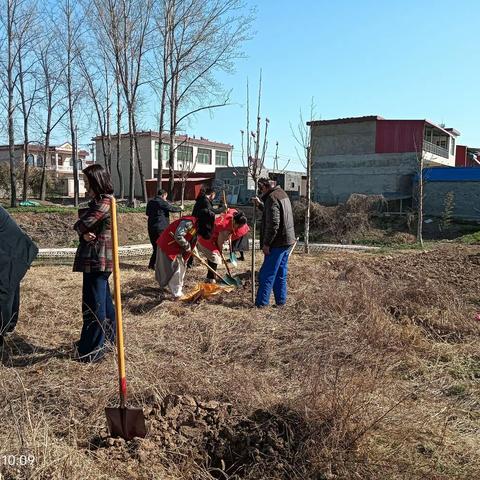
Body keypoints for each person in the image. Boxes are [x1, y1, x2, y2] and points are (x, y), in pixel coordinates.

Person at [73, 164, 116, 362]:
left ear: (96, 181)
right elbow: (87, 230)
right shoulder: (99, 201)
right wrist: (85, 234)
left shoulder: (105, 202)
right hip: (98, 259)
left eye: (87, 180)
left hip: (98, 260)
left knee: (94, 305)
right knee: (104, 303)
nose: (84, 184)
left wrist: (82, 229)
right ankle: (107, 341)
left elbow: (81, 224)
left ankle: (92, 350)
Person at [253, 178, 296, 307]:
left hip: (277, 242)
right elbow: (275, 214)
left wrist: (267, 244)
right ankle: (280, 302)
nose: (260, 191)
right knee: (280, 273)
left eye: (261, 188)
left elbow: (274, 224)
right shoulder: (282, 193)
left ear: (265, 187)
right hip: (287, 240)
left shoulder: (271, 198)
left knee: (267, 273)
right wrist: (260, 205)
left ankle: (261, 304)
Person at [0, 206, 38, 351]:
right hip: (11, 250)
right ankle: (9, 325)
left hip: (14, 252)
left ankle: (2, 332)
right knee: (9, 288)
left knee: (4, 291)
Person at [155, 209, 214, 299]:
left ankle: (178, 289)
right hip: (168, 245)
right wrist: (187, 246)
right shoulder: (189, 222)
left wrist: (196, 254)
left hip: (177, 247)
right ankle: (176, 294)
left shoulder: (196, 226)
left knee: (182, 267)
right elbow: (178, 235)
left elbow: (192, 241)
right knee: (176, 270)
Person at [197, 209, 249, 282]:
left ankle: (210, 277)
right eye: (239, 226)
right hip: (206, 238)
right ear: (235, 222)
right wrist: (220, 251)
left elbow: (230, 210)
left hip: (211, 236)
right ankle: (211, 279)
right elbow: (220, 242)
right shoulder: (225, 228)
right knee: (215, 258)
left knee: (213, 258)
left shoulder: (232, 216)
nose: (240, 227)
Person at [146, 189, 183, 270]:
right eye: (166, 197)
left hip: (151, 227)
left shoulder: (150, 202)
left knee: (156, 247)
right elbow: (171, 208)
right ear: (163, 195)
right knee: (161, 247)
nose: (166, 199)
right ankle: (158, 265)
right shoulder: (161, 201)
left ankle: (152, 265)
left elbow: (147, 213)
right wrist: (180, 208)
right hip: (161, 227)